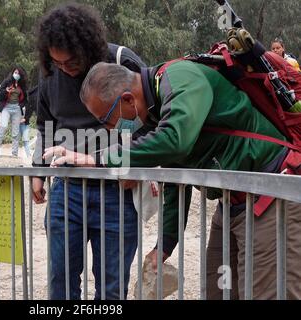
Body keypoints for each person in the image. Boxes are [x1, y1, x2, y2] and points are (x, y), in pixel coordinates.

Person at [44, 61, 301, 300]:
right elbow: (176, 179)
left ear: (127, 99)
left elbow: (176, 142)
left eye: (106, 119)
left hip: (271, 198)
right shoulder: (159, 109)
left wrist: (96, 159)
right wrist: (164, 246)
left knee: (266, 292)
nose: (110, 128)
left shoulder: (181, 78)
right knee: (218, 290)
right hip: (231, 204)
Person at [32, 3, 146, 300]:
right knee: (61, 280)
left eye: (71, 62)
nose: (65, 69)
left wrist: (134, 167)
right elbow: (44, 124)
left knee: (111, 287)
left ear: (89, 48)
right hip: (67, 191)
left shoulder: (122, 61)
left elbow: (149, 119)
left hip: (117, 193)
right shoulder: (49, 74)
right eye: (57, 63)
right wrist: (38, 173)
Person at [0, 67, 28, 157]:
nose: (16, 74)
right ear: (12, 73)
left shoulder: (22, 85)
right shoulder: (7, 81)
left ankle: (14, 154)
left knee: (15, 132)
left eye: (18, 73)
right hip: (7, 107)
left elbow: (25, 97)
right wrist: (6, 91)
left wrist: (21, 106)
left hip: (16, 108)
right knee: (3, 126)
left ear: (20, 75)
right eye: (15, 72)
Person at [20, 85, 38, 158]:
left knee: (26, 140)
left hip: (25, 123)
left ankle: (28, 155)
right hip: (17, 123)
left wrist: (24, 119)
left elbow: (29, 113)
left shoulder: (27, 103)